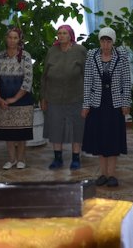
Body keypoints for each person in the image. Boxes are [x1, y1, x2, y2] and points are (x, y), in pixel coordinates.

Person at [81, 27, 132, 187]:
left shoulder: (121, 56)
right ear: (99, 42)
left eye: (108, 41)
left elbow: (126, 81)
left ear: (113, 42)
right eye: (103, 41)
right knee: (99, 138)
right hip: (97, 103)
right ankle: (103, 174)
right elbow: (87, 82)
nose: (105, 44)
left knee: (113, 138)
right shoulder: (92, 56)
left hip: (115, 103)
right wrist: (86, 105)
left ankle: (112, 175)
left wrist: (126, 103)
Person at [41, 24, 87, 170]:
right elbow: (44, 76)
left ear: (70, 35)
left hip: (76, 97)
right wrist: (43, 97)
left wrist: (87, 99)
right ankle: (58, 158)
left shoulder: (80, 50)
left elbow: (87, 75)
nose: (61, 36)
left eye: (64, 33)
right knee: (56, 128)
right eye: (59, 33)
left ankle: (76, 158)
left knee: (76, 128)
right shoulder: (52, 51)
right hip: (54, 98)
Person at [0, 27, 34, 170]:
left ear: (19, 40)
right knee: (7, 132)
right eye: (10, 37)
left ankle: (21, 159)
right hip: (3, 100)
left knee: (21, 132)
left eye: (15, 38)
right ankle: (11, 159)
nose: (12, 40)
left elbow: (28, 81)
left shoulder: (25, 56)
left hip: (22, 100)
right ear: (6, 38)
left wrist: (14, 99)